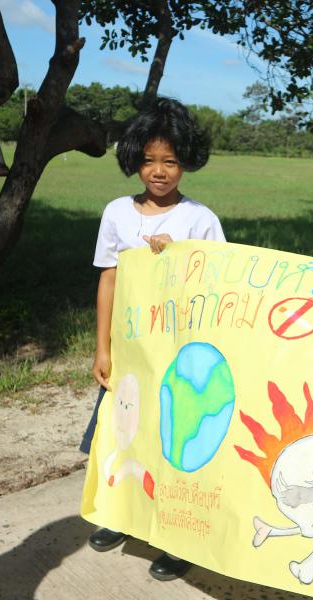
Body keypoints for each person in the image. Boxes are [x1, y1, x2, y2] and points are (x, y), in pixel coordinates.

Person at [81, 97, 225, 581]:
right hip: (131, 351)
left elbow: (217, 285)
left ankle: (177, 536)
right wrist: (103, 347)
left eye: (170, 161)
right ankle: (120, 514)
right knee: (125, 433)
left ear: (187, 161)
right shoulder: (117, 213)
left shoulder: (199, 220)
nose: (159, 172)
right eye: (148, 160)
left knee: (172, 441)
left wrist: (178, 256)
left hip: (180, 355)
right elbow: (108, 279)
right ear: (133, 160)